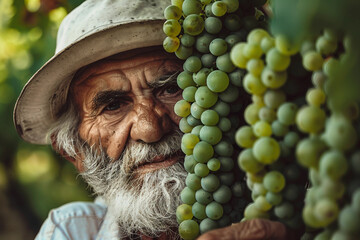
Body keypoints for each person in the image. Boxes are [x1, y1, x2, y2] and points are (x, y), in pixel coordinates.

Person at [14, 0, 290, 239]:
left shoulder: (296, 207)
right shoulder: (71, 233)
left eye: (171, 89)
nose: (150, 129)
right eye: (112, 106)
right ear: (73, 153)